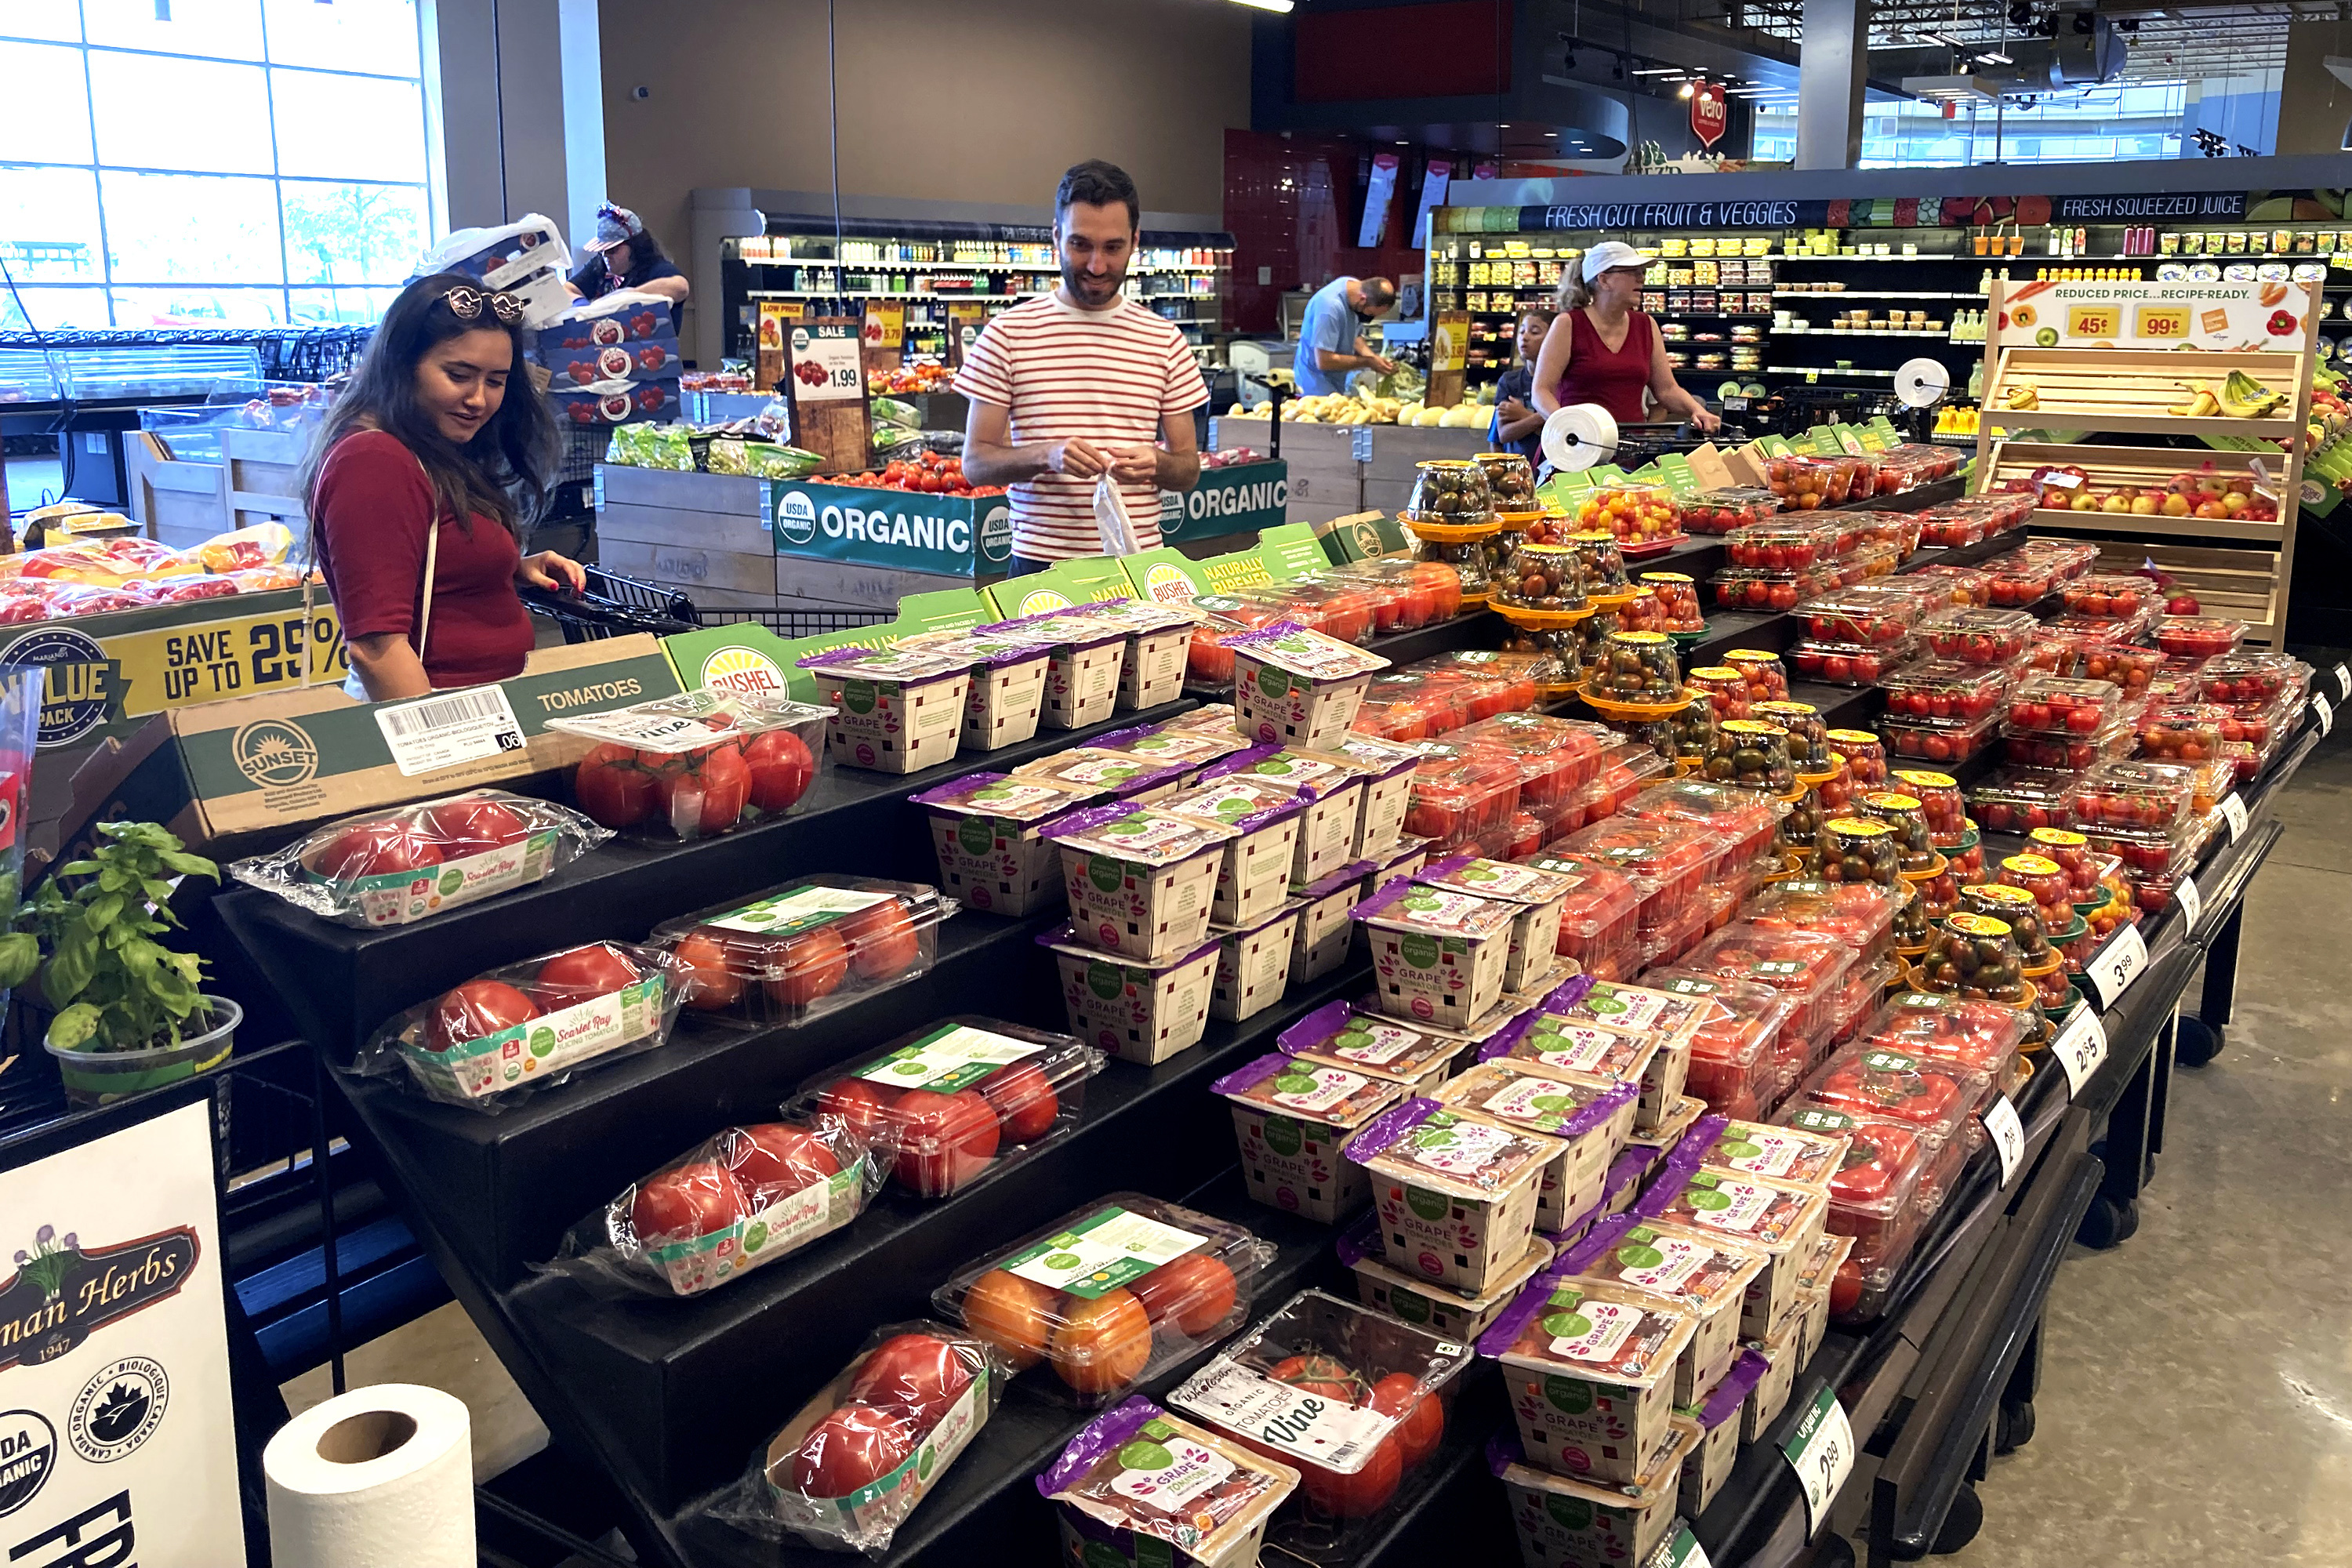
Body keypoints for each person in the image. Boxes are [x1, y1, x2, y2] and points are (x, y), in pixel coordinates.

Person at [303, 273, 586, 700]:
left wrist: (504, 565)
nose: (478, 400)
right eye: (458, 375)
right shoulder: (373, 461)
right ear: (403, 365)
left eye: (496, 381)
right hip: (444, 723)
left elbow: (425, 562)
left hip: (485, 709)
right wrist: (442, 750)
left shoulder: (432, 443)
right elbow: (376, 647)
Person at [957, 160, 1208, 575]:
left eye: (1113, 247)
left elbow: (1187, 469)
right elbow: (976, 464)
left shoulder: (1165, 340)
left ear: (1134, 242)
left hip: (1138, 565)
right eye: (1080, 245)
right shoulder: (1008, 334)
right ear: (1056, 238)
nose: (1096, 266)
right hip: (1040, 568)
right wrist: (1047, 455)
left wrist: (1158, 464)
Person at [1531, 241, 1720, 434]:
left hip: (1630, 448)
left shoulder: (1646, 325)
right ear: (1604, 280)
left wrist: (1697, 410)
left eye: (1642, 272)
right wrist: (1567, 426)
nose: (1641, 278)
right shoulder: (1568, 324)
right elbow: (1541, 391)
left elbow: (1667, 390)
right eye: (1632, 272)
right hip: (1577, 449)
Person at [565, 203, 689, 310]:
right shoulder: (600, 267)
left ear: (635, 246)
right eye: (602, 251)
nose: (606, 256)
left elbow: (681, 287)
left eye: (613, 250)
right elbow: (568, 289)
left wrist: (626, 297)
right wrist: (580, 304)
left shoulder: (656, 269)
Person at [1291, 274, 1398, 397]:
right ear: (1362, 299)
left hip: (1334, 384)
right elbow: (1324, 361)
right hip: (1313, 389)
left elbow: (1354, 336)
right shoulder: (1329, 308)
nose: (1370, 318)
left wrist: (1375, 359)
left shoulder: (1354, 289)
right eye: (1370, 314)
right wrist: (1368, 362)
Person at [1490, 307, 1553, 462]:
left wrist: (1522, 415)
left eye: (1535, 332)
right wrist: (1544, 419)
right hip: (1518, 472)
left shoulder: (1565, 382)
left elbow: (1566, 435)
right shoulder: (1509, 381)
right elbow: (1503, 435)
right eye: (1522, 331)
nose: (1525, 337)